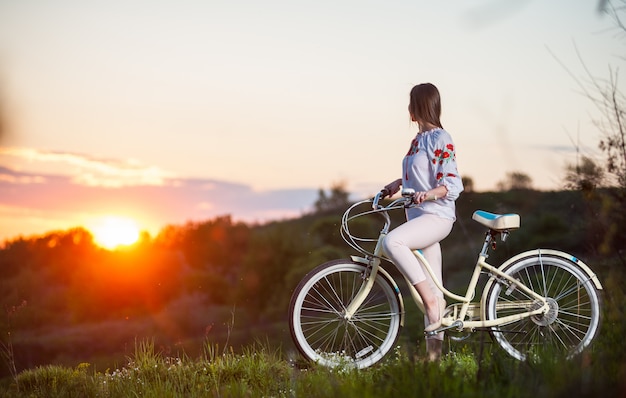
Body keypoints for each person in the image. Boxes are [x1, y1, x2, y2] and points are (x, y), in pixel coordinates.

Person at [381, 83, 463, 361]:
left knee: (393, 241)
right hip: (419, 218)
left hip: (436, 217)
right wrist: (395, 184)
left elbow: (451, 183)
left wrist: (428, 194)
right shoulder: (418, 140)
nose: (408, 110)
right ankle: (434, 363)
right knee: (436, 296)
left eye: (410, 104)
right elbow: (417, 175)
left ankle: (428, 298)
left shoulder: (442, 137)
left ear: (417, 107)